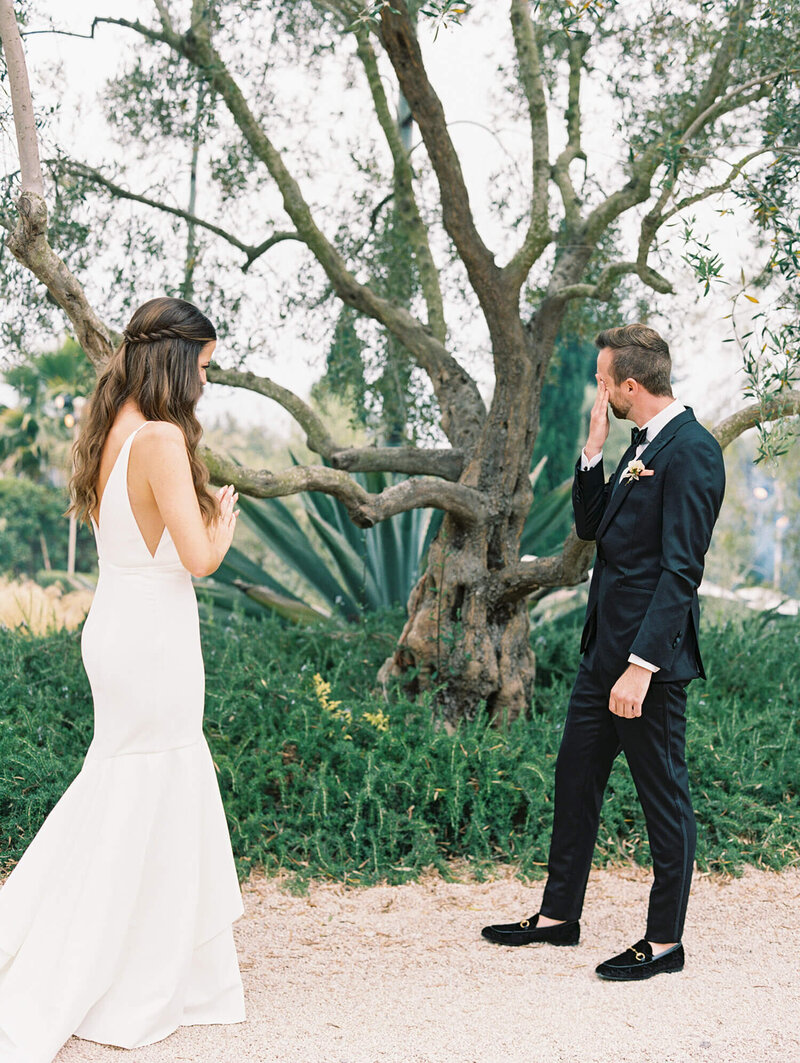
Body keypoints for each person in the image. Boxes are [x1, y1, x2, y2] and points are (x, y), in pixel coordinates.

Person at [0, 297, 245, 1060]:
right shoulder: (165, 439)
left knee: (128, 784)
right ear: (178, 360)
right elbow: (199, 558)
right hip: (153, 637)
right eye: (203, 367)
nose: (205, 383)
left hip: (119, 622)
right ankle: (124, 968)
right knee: (148, 785)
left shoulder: (116, 428)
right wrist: (223, 522)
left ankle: (135, 956)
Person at [482, 323, 725, 981]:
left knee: (663, 796)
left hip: (646, 664)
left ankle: (665, 942)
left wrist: (642, 667)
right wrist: (592, 452)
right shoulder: (638, 444)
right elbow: (594, 528)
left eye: (601, 380)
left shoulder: (692, 451)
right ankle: (560, 916)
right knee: (574, 778)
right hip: (601, 655)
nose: (600, 392)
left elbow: (680, 572)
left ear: (630, 384)